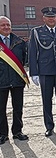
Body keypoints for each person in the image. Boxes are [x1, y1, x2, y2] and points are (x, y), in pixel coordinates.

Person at [28, 7, 56, 137]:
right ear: (44, 18)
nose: (51, 19)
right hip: (45, 72)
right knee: (47, 100)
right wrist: (34, 72)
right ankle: (49, 126)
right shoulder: (36, 32)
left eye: (53, 17)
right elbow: (32, 53)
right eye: (48, 17)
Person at [0, 16, 29, 144]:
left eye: (8, 25)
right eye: (3, 25)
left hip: (17, 80)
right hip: (1, 81)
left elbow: (24, 60)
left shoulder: (19, 42)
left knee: (18, 108)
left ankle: (17, 131)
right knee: (1, 109)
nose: (6, 27)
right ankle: (2, 134)